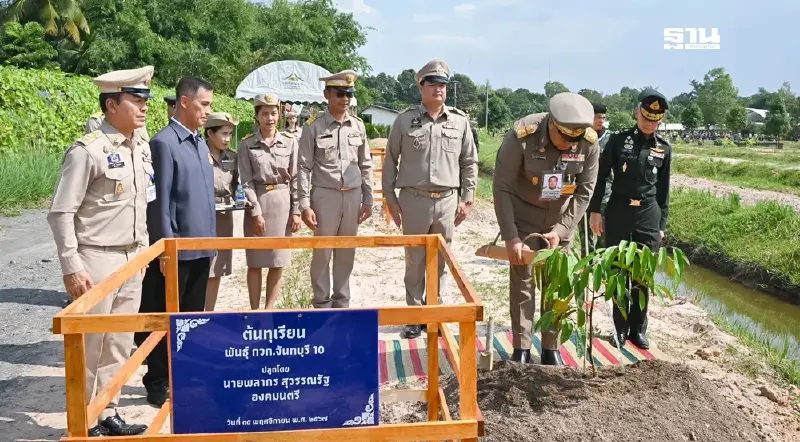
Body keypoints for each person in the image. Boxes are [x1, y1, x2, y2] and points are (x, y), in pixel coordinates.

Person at [47, 66, 156, 436]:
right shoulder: (88, 151)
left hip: (130, 261)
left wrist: (141, 251)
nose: (143, 107)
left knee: (119, 344)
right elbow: (61, 212)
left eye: (145, 101)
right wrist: (71, 265)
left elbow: (141, 205)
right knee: (90, 348)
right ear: (111, 104)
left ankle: (109, 409)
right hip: (96, 259)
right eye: (135, 100)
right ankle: (84, 418)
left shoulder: (140, 146)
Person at [493, 92, 600, 365]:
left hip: (560, 222)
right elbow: (502, 187)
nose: (568, 145)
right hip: (524, 219)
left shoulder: (588, 143)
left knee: (557, 286)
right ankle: (522, 347)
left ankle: (551, 348)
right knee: (523, 285)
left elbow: (584, 193)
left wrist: (562, 230)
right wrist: (511, 237)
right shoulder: (522, 135)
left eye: (574, 141)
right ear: (552, 123)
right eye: (564, 137)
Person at [135, 76, 216, 406]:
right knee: (165, 315)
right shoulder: (164, 143)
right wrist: (166, 249)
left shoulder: (198, 142)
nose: (207, 111)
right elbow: (160, 203)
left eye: (209, 105)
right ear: (184, 102)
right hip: (176, 251)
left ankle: (182, 374)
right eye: (203, 104)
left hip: (202, 248)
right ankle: (157, 380)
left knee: (191, 318)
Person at [383, 59, 478, 339]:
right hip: (413, 200)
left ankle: (434, 315)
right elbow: (390, 160)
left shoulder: (459, 121)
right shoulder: (405, 120)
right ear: (421, 87)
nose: (439, 89)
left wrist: (468, 198)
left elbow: (469, 162)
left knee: (440, 260)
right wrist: (390, 198)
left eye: (443, 85)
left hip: (448, 200)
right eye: (433, 84)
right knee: (414, 260)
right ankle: (414, 316)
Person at [588, 88, 672, 350]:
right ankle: (620, 327)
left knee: (643, 275)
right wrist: (595, 211)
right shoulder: (618, 141)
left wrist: (661, 226)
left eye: (655, 120)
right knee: (618, 272)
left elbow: (664, 190)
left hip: (648, 215)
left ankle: (638, 329)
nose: (649, 123)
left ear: (660, 120)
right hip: (619, 212)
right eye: (646, 117)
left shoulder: (664, 148)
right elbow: (601, 178)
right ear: (637, 113)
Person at [297, 70, 373, 309]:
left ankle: (342, 303)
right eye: (340, 94)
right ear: (326, 95)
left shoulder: (358, 126)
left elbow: (366, 164)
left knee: (346, 252)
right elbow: (303, 167)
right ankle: (321, 304)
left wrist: (368, 199)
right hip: (324, 196)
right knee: (322, 253)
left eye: (349, 94)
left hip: (352, 195)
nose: (345, 99)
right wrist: (304, 205)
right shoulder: (313, 127)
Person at [239, 93, 302, 309]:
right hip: (257, 201)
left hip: (283, 202)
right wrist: (255, 212)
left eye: (273, 113)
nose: (270, 118)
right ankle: (255, 311)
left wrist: (296, 210)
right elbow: (245, 182)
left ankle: (269, 310)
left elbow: (295, 178)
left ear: (279, 114)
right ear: (257, 116)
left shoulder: (290, 142)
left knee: (278, 261)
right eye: (264, 114)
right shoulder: (247, 144)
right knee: (255, 262)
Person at [204, 111, 240, 311]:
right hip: (202, 215)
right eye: (223, 134)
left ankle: (209, 312)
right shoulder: (198, 154)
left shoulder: (232, 157)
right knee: (201, 265)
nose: (227, 139)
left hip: (225, 214)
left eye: (230, 134)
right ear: (210, 133)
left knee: (217, 268)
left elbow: (237, 187)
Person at [577, 102, 610, 255]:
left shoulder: (610, 140)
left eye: (603, 118)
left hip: (604, 190)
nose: (601, 121)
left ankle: (601, 262)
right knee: (584, 230)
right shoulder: (579, 137)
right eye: (597, 117)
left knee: (603, 230)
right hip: (583, 188)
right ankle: (586, 263)